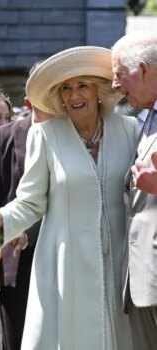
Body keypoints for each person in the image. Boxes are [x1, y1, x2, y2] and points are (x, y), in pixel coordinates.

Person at [0, 46, 138, 350]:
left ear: (98, 91)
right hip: (64, 264)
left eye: (82, 85)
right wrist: (0, 218)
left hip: (120, 262)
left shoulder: (129, 130)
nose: (74, 95)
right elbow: (30, 201)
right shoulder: (46, 134)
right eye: (66, 88)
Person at [0, 106, 52, 350]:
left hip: (62, 258)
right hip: (15, 262)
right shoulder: (6, 135)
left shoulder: (73, 131)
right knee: (17, 341)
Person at [111, 31, 157, 350]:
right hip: (143, 282)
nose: (115, 85)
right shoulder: (148, 118)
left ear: (142, 70)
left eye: (119, 75)